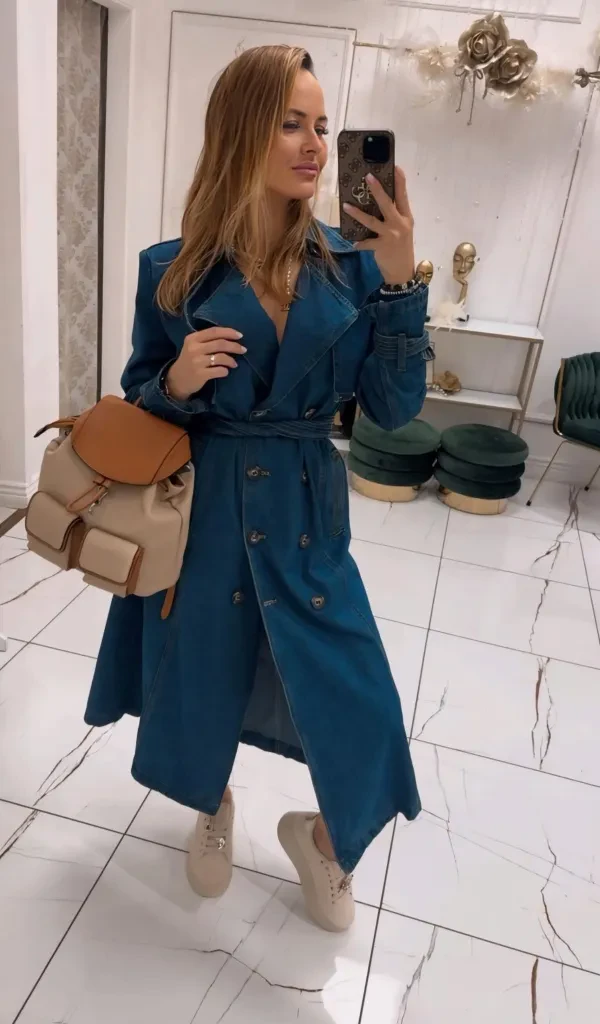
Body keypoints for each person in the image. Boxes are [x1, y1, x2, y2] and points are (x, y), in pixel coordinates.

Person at [86, 44, 430, 933]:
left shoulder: (355, 268)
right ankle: (212, 803)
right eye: (291, 123)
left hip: (307, 513)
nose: (315, 145)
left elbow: (393, 412)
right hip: (206, 516)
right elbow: (140, 398)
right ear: (241, 133)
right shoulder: (172, 269)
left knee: (361, 703)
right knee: (201, 676)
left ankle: (321, 838)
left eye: (323, 126)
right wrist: (176, 383)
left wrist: (401, 283)